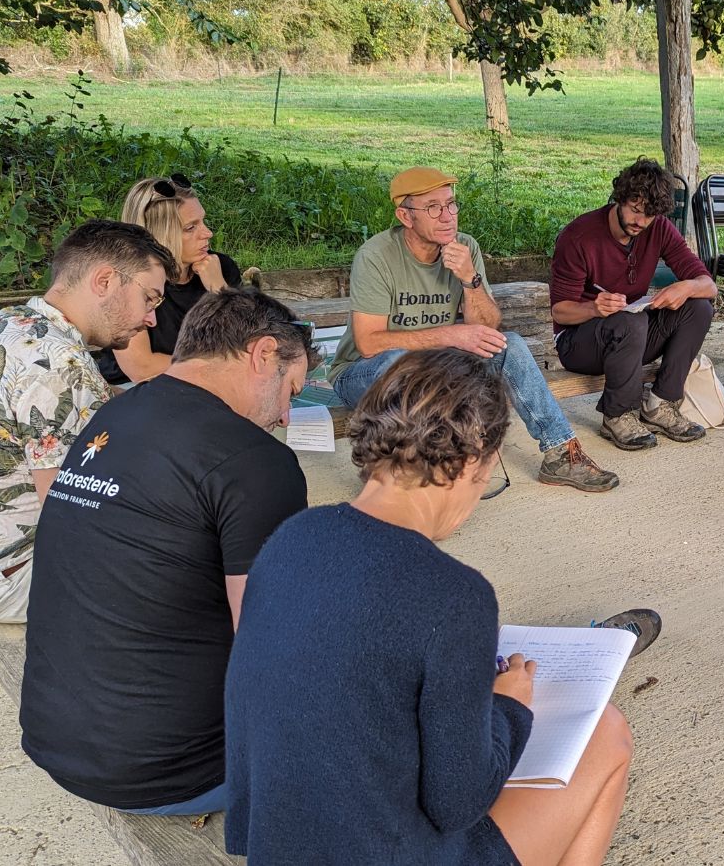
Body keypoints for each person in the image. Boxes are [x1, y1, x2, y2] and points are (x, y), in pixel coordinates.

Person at [225, 349, 648, 865]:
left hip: (279, 849)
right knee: (605, 732)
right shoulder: (455, 597)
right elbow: (459, 802)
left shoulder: (289, 538)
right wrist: (509, 707)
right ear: (473, 460)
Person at [19, 288, 315, 815]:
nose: (286, 416)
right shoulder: (255, 460)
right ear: (263, 353)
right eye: (292, 390)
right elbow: (271, 648)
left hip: (55, 742)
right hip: (176, 773)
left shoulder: (112, 417)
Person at [327, 166, 617, 492]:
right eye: (433, 208)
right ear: (406, 217)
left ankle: (561, 453)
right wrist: (451, 335)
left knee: (509, 345)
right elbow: (369, 344)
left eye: (451, 204)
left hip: (436, 370)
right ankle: (421, 471)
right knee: (397, 362)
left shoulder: (466, 247)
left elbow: (487, 327)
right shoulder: (377, 256)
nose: (448, 216)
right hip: (365, 375)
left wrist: (469, 277)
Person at [0, 219, 172, 624]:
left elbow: (101, 405)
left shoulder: (10, 325)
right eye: (150, 299)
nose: (151, 319)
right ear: (104, 280)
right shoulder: (60, 365)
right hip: (12, 576)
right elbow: (73, 512)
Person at [550, 159, 714, 450]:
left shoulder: (658, 228)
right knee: (631, 322)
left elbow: (708, 285)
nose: (641, 222)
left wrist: (686, 286)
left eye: (649, 215)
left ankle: (660, 405)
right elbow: (560, 311)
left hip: (631, 335)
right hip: (579, 343)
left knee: (698, 307)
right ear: (620, 198)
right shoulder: (579, 236)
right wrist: (593, 308)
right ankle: (618, 415)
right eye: (635, 210)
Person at [95, 174, 241, 384]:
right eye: (191, 227)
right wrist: (219, 364)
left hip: (207, 385)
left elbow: (248, 345)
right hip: (133, 391)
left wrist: (220, 292)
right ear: (159, 234)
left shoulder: (220, 269)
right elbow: (142, 368)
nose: (208, 233)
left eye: (203, 221)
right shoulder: (129, 280)